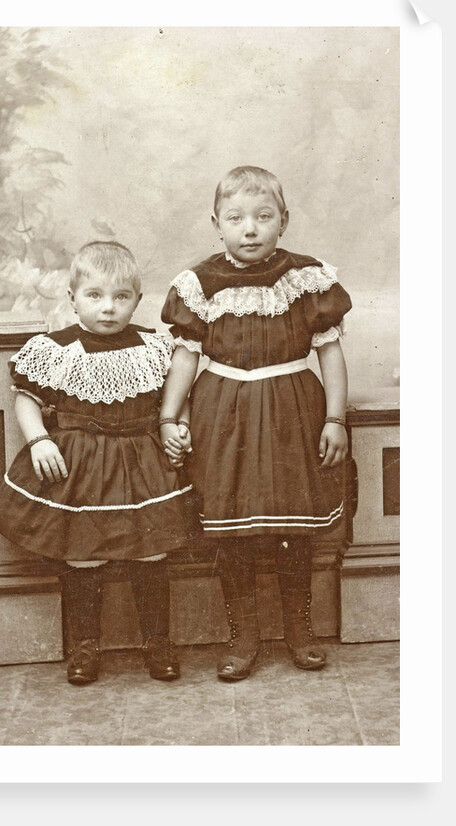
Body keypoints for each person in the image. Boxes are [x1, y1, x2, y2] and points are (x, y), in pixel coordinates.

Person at [159, 165, 352, 682]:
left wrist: (335, 418)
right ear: (216, 224)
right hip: (223, 413)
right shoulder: (200, 284)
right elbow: (185, 358)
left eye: (264, 217)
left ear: (283, 221)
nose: (250, 229)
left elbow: (330, 355)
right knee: (233, 530)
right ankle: (242, 635)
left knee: (294, 527)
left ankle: (299, 630)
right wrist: (169, 417)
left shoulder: (307, 280)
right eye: (236, 218)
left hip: (292, 409)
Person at [0, 241, 194, 685]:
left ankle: (157, 642)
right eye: (95, 295)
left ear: (137, 300)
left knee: (151, 552)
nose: (108, 307)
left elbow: (176, 396)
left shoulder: (152, 346)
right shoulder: (56, 349)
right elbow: (27, 399)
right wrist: (39, 440)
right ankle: (85, 645)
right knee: (83, 556)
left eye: (121, 297)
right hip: (80, 465)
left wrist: (180, 424)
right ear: (73, 298)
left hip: (141, 462)